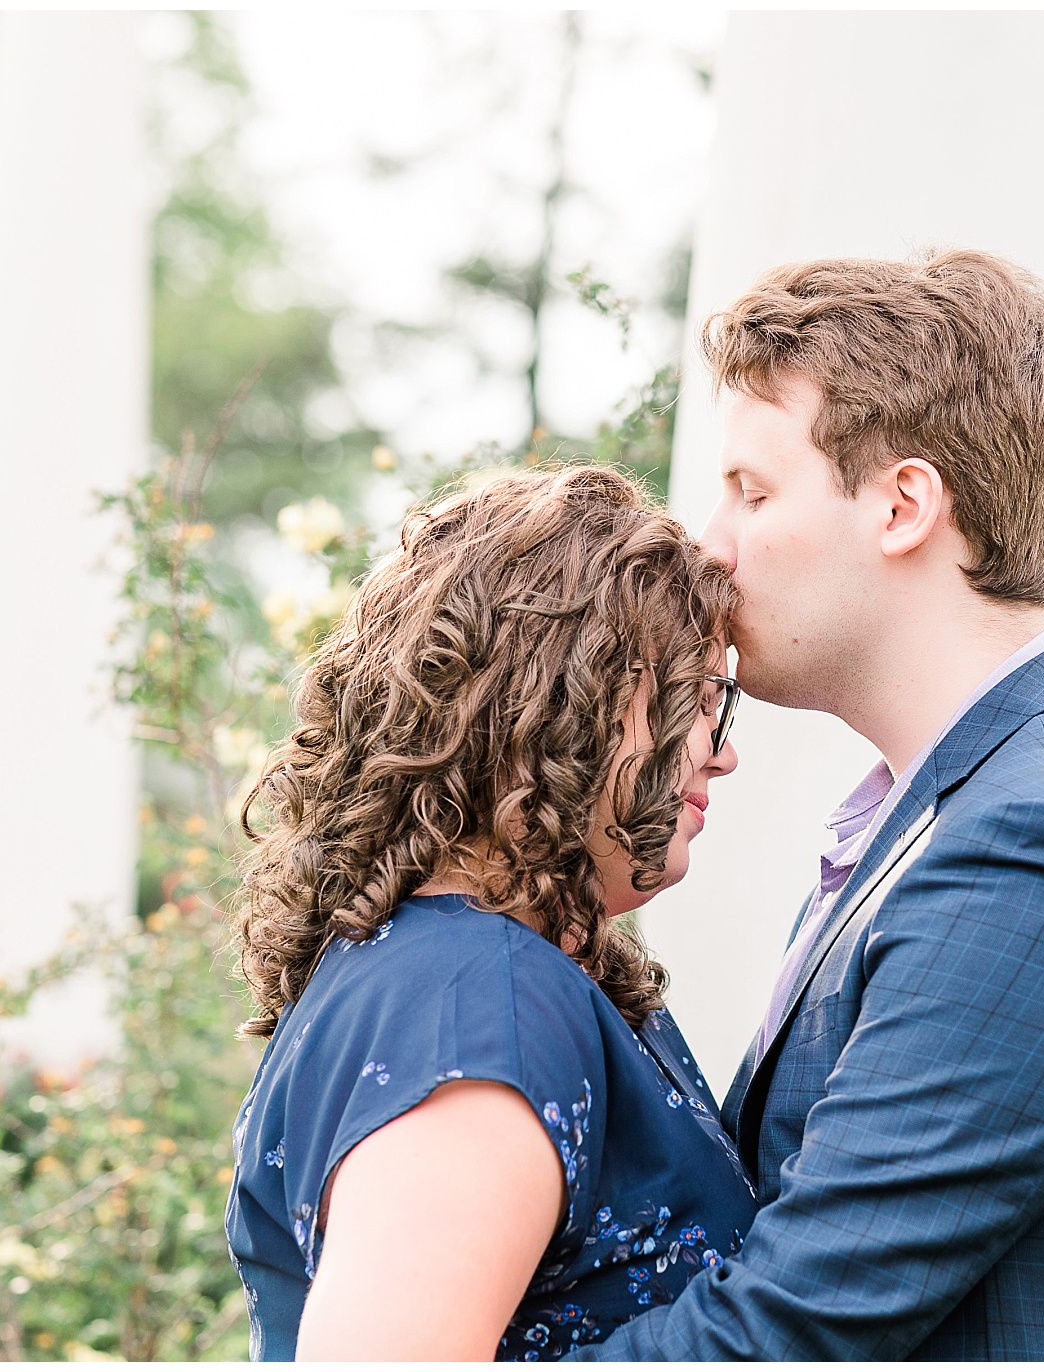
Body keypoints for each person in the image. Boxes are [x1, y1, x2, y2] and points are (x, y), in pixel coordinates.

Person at [571, 251, 1044, 1361]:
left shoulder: (1043, 850)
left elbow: (789, 1332)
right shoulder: (964, 805)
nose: (710, 541)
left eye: (753, 491)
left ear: (902, 507)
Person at [224, 466, 759, 1361]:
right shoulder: (479, 1006)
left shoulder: (450, 969)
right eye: (695, 699)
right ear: (560, 703)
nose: (722, 751)